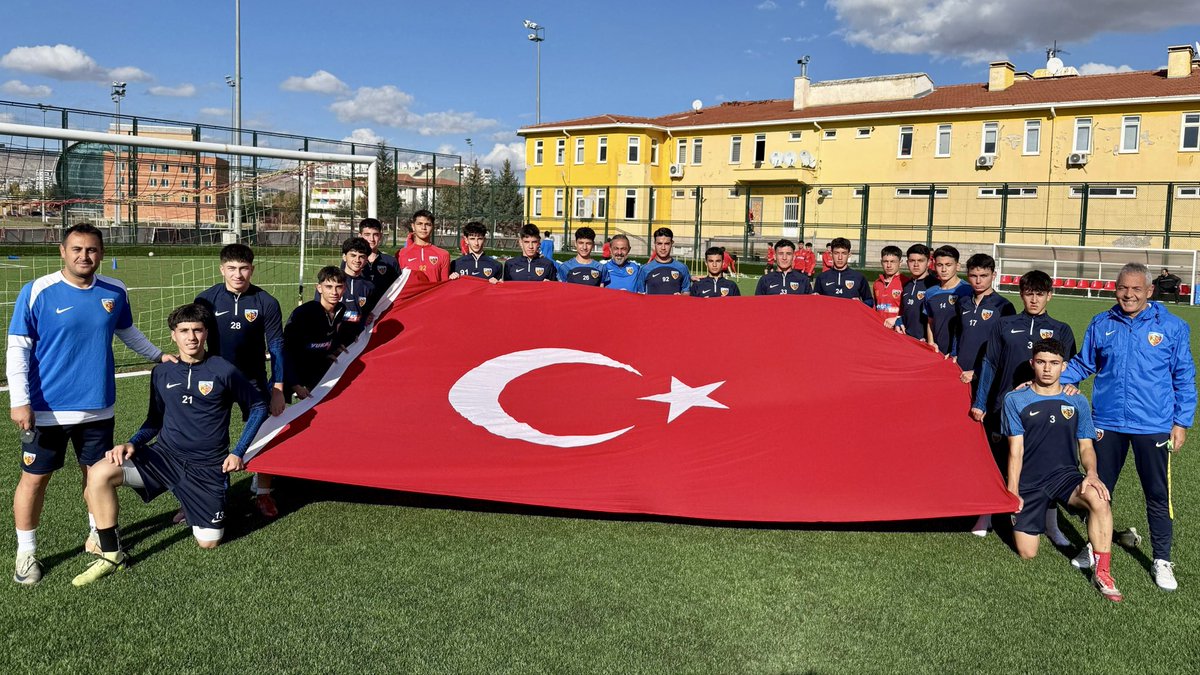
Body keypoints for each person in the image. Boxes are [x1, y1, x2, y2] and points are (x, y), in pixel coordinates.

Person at [9, 223, 171, 586]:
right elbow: (18, 346)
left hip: (98, 407)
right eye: (77, 249)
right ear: (62, 252)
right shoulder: (38, 291)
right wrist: (20, 401)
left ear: (101, 253)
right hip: (46, 409)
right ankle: (26, 551)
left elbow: (127, 332)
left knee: (94, 477)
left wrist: (160, 355)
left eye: (92, 250)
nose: (85, 256)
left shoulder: (115, 290)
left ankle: (97, 536)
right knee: (34, 481)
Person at [71, 304, 270, 586]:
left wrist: (238, 451)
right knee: (100, 472)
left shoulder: (223, 369)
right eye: (184, 331)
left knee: (209, 542)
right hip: (165, 457)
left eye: (198, 330)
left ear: (206, 333)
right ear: (173, 336)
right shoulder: (162, 372)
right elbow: (154, 420)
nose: (191, 337)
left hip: (206, 466)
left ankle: (198, 501)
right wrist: (133, 442)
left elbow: (259, 406)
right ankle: (112, 553)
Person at [1061, 262, 1196, 591]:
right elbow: (1084, 362)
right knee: (1099, 490)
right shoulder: (1102, 322)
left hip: (1154, 423)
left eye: (1136, 289)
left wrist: (1181, 422)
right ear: (1115, 288)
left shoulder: (1173, 327)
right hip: (1107, 421)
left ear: (1149, 291)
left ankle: (1161, 559)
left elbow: (1184, 377)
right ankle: (1094, 548)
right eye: (1123, 288)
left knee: (1157, 493)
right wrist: (1051, 383)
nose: (1129, 294)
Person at [1002, 339, 1122, 602]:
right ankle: (1041, 515)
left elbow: (1087, 446)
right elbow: (1016, 450)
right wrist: (1012, 492)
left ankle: (1102, 572)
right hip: (1030, 482)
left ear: (1064, 366)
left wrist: (1091, 473)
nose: (1047, 369)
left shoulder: (1077, 400)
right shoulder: (1015, 399)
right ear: (1032, 364)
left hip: (1064, 477)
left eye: (1054, 363)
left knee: (1100, 498)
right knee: (1027, 553)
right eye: (1042, 362)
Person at [970, 269, 1076, 541]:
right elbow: (989, 363)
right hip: (1003, 406)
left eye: (1040, 294)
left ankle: (1051, 525)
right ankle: (987, 515)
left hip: (1046, 410)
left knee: (1045, 464)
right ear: (1021, 294)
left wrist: (1070, 392)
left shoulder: (1063, 329)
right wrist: (981, 401)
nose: (1034, 300)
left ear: (1049, 296)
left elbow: (1069, 370)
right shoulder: (1003, 324)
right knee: (996, 461)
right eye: (1029, 294)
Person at [193, 243, 286, 518]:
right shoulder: (206, 300)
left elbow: (278, 346)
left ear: (252, 269)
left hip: (253, 379)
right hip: (215, 380)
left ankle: (263, 493)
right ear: (222, 269)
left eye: (244, 268)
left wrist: (278, 387)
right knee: (209, 438)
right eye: (232, 268)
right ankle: (209, 495)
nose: (238, 274)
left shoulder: (266, 302)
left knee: (264, 433)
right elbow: (195, 341)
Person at [283, 266, 350, 402]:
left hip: (316, 371)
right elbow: (285, 351)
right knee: (273, 414)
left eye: (339, 287)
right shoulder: (303, 314)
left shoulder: (341, 309)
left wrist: (334, 348)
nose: (334, 292)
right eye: (328, 287)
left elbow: (329, 334)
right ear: (319, 288)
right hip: (292, 372)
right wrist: (296, 386)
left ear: (344, 288)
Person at [955, 253, 1015, 382]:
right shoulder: (962, 302)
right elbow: (958, 333)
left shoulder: (1004, 306)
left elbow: (1005, 347)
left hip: (986, 374)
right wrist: (954, 354)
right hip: (959, 371)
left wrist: (978, 371)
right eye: (973, 276)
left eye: (983, 276)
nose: (978, 281)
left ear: (993, 275)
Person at [920, 245, 972, 355]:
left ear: (957, 266)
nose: (943, 269)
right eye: (940, 265)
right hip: (937, 351)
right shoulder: (930, 293)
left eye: (948, 265)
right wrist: (931, 342)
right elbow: (930, 322)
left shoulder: (968, 290)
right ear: (934, 266)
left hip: (959, 354)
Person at [331, 237, 376, 330]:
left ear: (366, 259)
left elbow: (368, 314)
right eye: (353, 255)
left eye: (361, 256)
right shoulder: (331, 281)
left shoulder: (369, 286)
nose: (357, 260)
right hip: (332, 337)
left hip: (356, 339)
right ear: (344, 257)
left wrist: (367, 317)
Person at [812, 237, 873, 306]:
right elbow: (815, 304)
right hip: (828, 316)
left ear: (849, 254)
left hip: (851, 316)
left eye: (844, 253)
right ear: (831, 254)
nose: (840, 257)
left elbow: (870, 301)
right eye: (836, 253)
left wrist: (861, 304)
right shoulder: (822, 277)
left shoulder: (859, 277)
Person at [394, 210, 449, 283]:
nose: (423, 227)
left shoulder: (443, 254)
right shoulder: (401, 254)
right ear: (413, 226)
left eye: (428, 224)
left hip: (433, 294)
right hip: (412, 294)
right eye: (419, 224)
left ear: (433, 227)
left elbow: (444, 285)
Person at [894, 244, 936, 339]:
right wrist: (900, 321)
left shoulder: (935, 285)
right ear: (907, 262)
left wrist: (930, 339)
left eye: (920, 261)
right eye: (912, 261)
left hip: (926, 342)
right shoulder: (906, 285)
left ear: (929, 262)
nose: (916, 265)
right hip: (907, 340)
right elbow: (908, 312)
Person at [356, 218, 399, 307]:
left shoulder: (390, 261)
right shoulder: (352, 261)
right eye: (367, 234)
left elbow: (398, 289)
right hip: (359, 311)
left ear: (380, 236)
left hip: (384, 310)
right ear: (360, 236)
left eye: (375, 235)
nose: (371, 239)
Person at [635, 227, 691, 295]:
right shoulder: (645, 269)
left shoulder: (682, 268)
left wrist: (681, 297)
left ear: (672, 243)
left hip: (675, 305)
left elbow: (686, 291)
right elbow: (640, 294)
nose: (663, 248)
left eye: (667, 244)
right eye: (659, 244)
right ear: (655, 243)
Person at [874, 245, 907, 327]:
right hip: (879, 328)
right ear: (881, 262)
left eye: (893, 262)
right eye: (885, 261)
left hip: (897, 329)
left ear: (900, 263)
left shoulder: (906, 283)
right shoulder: (877, 283)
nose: (888, 265)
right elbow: (875, 307)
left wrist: (898, 320)